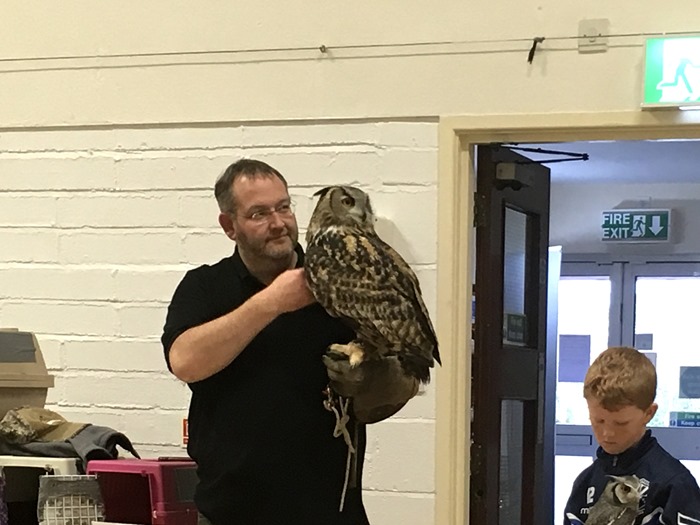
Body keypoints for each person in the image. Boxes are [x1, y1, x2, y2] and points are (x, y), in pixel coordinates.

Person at [161, 159, 419, 525]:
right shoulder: (205, 287)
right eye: (259, 213)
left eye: (284, 207)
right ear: (229, 225)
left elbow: (404, 374)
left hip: (331, 512)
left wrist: (375, 379)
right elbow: (185, 361)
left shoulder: (337, 278)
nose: (279, 222)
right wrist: (272, 302)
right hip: (232, 514)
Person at [564, 346, 700, 524]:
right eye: (598, 420)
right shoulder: (585, 481)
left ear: (649, 413)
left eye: (621, 423)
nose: (608, 433)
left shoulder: (674, 484)